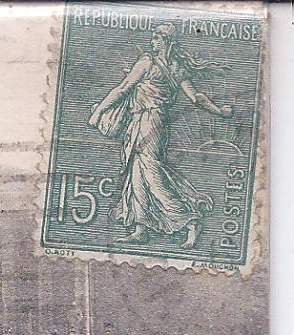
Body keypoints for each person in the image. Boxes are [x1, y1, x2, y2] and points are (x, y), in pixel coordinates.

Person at [88, 23, 234, 249]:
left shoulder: (148, 62)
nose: (152, 41)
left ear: (168, 42)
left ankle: (190, 219)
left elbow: (123, 88)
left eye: (157, 38)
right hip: (150, 123)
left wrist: (99, 112)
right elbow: (197, 98)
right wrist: (220, 112)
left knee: (152, 175)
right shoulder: (178, 69)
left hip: (148, 122)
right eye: (153, 37)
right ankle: (140, 229)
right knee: (137, 174)